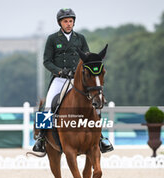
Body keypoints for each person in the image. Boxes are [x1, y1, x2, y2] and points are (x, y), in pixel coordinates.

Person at [33, 8, 114, 153]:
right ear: (60, 23)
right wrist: (59, 70)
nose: (69, 24)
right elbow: (46, 61)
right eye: (66, 21)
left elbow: (87, 58)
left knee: (93, 104)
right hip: (59, 79)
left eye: (71, 21)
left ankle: (100, 138)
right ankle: (41, 138)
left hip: (78, 80)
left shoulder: (80, 38)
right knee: (47, 105)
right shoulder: (52, 39)